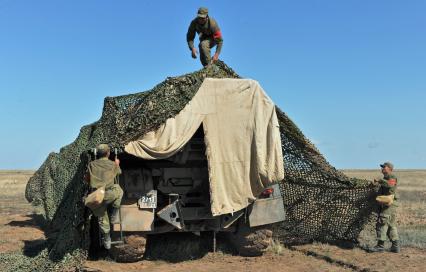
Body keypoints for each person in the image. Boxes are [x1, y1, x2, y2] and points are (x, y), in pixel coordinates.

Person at [87, 143, 123, 250]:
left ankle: (107, 239)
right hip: (109, 194)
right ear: (108, 153)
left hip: (97, 196)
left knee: (102, 218)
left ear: (97, 154)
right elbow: (118, 173)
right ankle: (114, 214)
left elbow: (87, 179)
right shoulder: (113, 164)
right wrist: (117, 164)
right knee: (119, 190)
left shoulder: (91, 164)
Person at [370, 162, 400, 253]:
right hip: (387, 205)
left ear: (390, 168)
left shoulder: (392, 177)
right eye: (382, 167)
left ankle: (380, 246)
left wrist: (380, 181)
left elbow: (390, 185)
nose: (382, 168)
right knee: (391, 225)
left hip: (389, 205)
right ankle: (395, 246)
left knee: (381, 223)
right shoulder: (385, 178)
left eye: (384, 167)